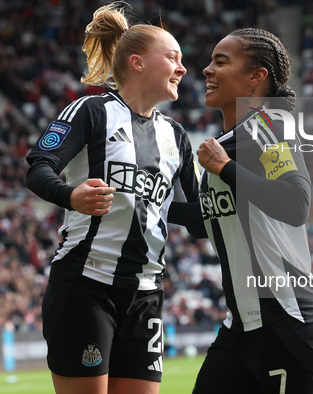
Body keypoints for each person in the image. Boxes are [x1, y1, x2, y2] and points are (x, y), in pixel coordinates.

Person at [25, 3, 199, 393]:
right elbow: (38, 166)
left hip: (147, 294)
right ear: (137, 63)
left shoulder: (177, 137)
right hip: (86, 285)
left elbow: (196, 217)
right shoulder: (91, 111)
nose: (183, 68)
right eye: (172, 57)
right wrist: (71, 196)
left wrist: (246, 190)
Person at [190, 28, 313, 393]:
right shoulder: (230, 142)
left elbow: (296, 202)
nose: (207, 70)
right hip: (241, 327)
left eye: (221, 62)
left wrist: (225, 168)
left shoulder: (267, 126)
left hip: (287, 320)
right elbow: (207, 221)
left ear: (256, 77)